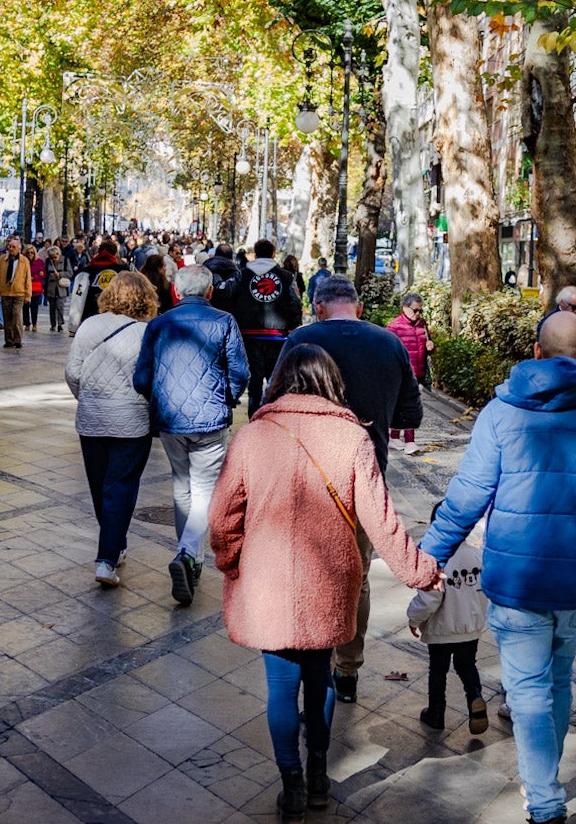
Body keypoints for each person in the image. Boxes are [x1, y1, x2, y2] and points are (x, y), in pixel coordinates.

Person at [419, 312, 576, 824]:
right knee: (558, 681)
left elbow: (465, 499)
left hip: (517, 582)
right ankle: (543, 786)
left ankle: (544, 801)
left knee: (527, 692)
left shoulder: (501, 414)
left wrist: (427, 560)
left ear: (537, 353)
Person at [209, 345, 440, 821]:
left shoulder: (253, 436)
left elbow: (221, 518)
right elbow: (382, 523)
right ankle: (318, 777)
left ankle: (291, 786)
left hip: (268, 582)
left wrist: (233, 561)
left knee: (279, 689)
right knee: (322, 679)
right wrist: (421, 571)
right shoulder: (352, 437)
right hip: (331, 582)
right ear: (332, 383)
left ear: (279, 382)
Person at [277, 275, 422, 703]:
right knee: (355, 576)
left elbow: (272, 405)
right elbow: (410, 415)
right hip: (364, 479)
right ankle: (348, 669)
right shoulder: (388, 343)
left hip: (302, 478)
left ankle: (308, 659)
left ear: (318, 307)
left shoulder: (300, 341)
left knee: (304, 570)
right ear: (357, 307)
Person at [133, 265, 249, 607]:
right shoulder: (224, 321)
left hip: (170, 420)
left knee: (182, 487)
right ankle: (186, 554)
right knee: (203, 491)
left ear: (176, 292)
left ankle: (190, 558)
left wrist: (161, 396)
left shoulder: (158, 324)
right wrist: (225, 396)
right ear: (210, 291)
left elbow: (141, 378)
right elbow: (240, 372)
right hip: (210, 420)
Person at [66, 272, 159, 588]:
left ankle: (113, 543)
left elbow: (72, 372)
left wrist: (88, 398)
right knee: (120, 486)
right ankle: (107, 558)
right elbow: (152, 379)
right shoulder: (149, 332)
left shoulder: (90, 325)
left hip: (91, 418)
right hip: (132, 421)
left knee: (99, 485)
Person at [407, 539, 488, 733]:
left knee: (438, 670)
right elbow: (484, 591)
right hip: (469, 627)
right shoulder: (477, 555)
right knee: (467, 665)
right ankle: (474, 696)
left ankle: (436, 713)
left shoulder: (436, 558)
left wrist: (413, 619)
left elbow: (430, 598)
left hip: (442, 628)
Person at [216, 239, 302, 417]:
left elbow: (224, 294)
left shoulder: (242, 274)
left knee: (254, 383)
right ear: (273, 254)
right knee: (276, 380)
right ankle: (273, 417)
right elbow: (295, 303)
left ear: (254, 255)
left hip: (249, 335)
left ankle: (254, 419)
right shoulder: (285, 277)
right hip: (278, 336)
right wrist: (293, 325)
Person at [386, 291, 434, 455]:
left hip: (418, 372)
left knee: (403, 405)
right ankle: (410, 442)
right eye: (415, 310)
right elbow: (386, 351)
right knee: (409, 406)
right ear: (405, 308)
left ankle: (394, 437)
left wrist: (431, 347)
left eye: (420, 310)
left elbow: (427, 346)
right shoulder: (394, 326)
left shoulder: (422, 324)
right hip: (402, 374)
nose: (418, 314)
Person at [69, 239, 129, 333]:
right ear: (115, 253)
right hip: (117, 320)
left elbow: (78, 298)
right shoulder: (124, 272)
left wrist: (73, 325)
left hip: (91, 319)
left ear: (98, 252)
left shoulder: (86, 272)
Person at [0, 236, 31, 349]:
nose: (11, 249)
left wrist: (28, 294)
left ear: (18, 248)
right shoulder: (2, 260)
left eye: (13, 247)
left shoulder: (24, 261)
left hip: (19, 292)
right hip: (5, 292)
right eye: (9, 246)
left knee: (16, 314)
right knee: (7, 316)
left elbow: (27, 278)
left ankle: (18, 339)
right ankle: (8, 340)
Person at [44, 245, 73, 332]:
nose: (53, 259)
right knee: (52, 307)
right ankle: (53, 324)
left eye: (55, 257)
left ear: (58, 254)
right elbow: (45, 273)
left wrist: (61, 274)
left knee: (60, 306)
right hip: (51, 287)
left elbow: (70, 273)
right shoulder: (48, 261)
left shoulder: (65, 260)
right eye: (51, 257)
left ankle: (60, 323)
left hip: (61, 287)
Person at [23, 244, 46, 333]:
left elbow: (43, 274)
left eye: (32, 252)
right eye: (28, 252)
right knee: (25, 307)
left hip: (36, 288)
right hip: (25, 287)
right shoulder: (23, 261)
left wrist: (34, 277)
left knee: (34, 307)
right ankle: (27, 323)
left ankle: (35, 324)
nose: (30, 254)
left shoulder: (39, 261)